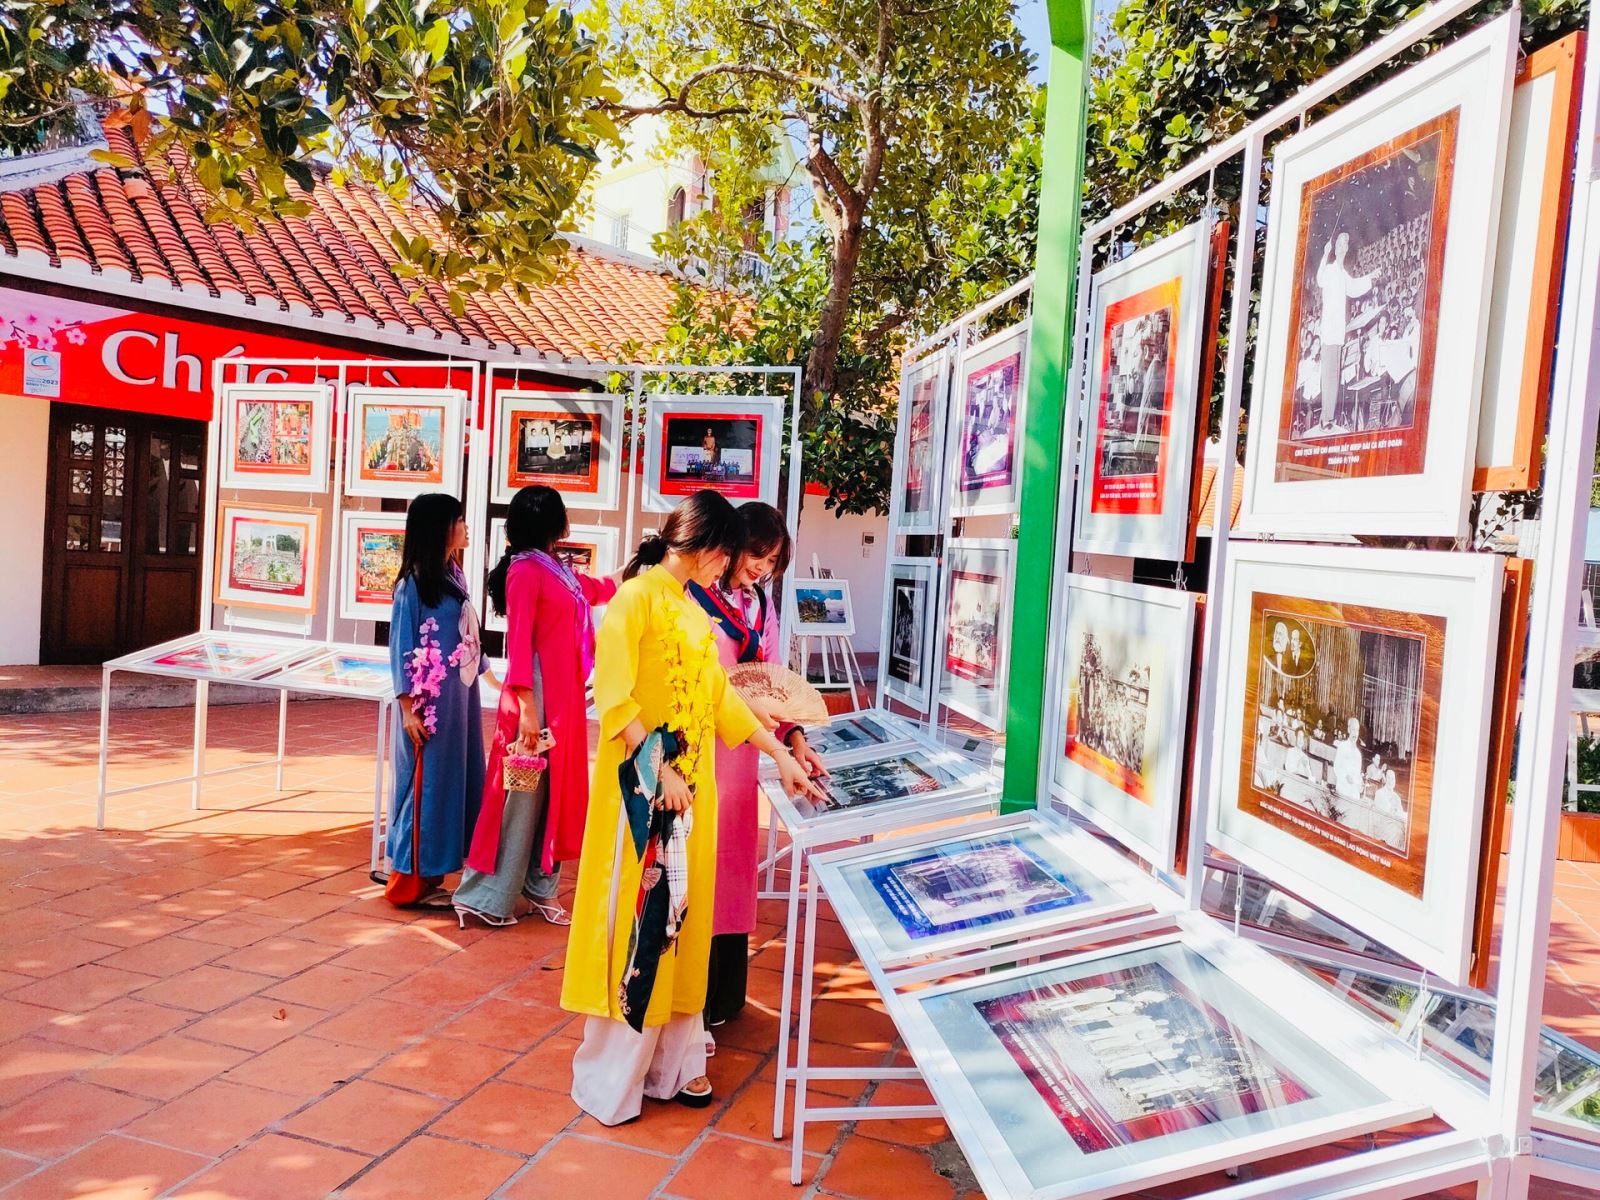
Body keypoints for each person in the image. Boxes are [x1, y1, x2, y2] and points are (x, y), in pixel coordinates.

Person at [561, 490, 822, 1125]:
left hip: (692, 795)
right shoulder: (634, 602)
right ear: (706, 546)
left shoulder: (688, 611)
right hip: (644, 799)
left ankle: (671, 1067)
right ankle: (612, 1079)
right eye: (730, 553)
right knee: (642, 923)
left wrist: (779, 750)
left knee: (682, 924)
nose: (732, 569)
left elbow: (721, 702)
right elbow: (615, 699)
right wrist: (660, 768)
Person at [686, 502, 827, 1034]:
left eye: (772, 558)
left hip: (748, 749)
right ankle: (688, 995)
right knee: (699, 857)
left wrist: (794, 736)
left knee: (733, 862)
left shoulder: (758, 603)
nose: (763, 566)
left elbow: (768, 675)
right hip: (702, 744)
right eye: (755, 553)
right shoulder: (694, 598)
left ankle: (723, 991)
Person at [454, 486, 618, 929]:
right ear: (554, 522)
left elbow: (601, 589)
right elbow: (520, 642)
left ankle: (539, 884)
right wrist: (527, 709)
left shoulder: (556, 570)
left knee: (554, 791)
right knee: (520, 792)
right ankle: (485, 895)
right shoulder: (526, 572)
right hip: (535, 692)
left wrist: (642, 566)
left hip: (561, 694)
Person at [385, 493, 485, 908]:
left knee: (451, 783)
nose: (464, 526)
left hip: (458, 700)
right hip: (427, 705)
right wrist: (408, 708)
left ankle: (433, 875)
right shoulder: (411, 587)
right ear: (438, 528)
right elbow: (401, 646)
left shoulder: (453, 575)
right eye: (457, 520)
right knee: (423, 786)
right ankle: (407, 883)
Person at [1315, 232, 1377, 429]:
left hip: (1338, 331)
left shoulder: (1343, 274)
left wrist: (1371, 276)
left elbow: (1355, 288)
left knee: (1334, 375)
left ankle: (1328, 418)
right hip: (1328, 329)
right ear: (1335, 247)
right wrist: (1324, 255)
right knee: (1328, 374)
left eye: (1346, 243)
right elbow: (1319, 280)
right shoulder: (1331, 270)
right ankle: (1325, 418)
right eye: (1340, 242)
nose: (1343, 245)